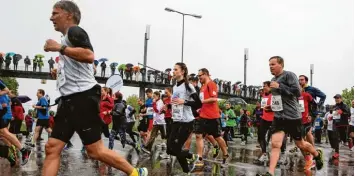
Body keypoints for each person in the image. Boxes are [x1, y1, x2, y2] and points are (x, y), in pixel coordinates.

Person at [42, 1, 147, 175]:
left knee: (95, 150)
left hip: (82, 98)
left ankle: (135, 173)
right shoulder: (66, 37)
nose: (51, 17)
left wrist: (59, 47)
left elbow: (89, 56)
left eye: (55, 13)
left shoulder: (75, 31)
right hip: (68, 100)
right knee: (52, 147)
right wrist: (60, 72)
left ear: (69, 15)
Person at [257, 56, 323, 176]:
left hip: (293, 117)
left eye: (273, 64)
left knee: (300, 144)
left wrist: (280, 87)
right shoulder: (272, 80)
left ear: (281, 65)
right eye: (269, 65)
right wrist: (272, 107)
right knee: (275, 144)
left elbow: (297, 93)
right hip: (278, 117)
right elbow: (279, 99)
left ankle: (317, 154)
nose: (270, 67)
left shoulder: (289, 75)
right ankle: (270, 173)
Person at [166, 63, 200, 173]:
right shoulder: (175, 86)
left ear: (182, 71)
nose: (173, 71)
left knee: (176, 148)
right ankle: (191, 157)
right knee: (169, 149)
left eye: (176, 69)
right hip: (176, 119)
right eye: (173, 69)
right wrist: (171, 105)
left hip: (187, 121)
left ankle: (187, 170)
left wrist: (184, 101)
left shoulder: (188, 86)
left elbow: (198, 104)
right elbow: (177, 102)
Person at [195, 68, 229, 168]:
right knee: (198, 135)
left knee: (217, 137)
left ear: (205, 74)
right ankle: (199, 158)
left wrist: (202, 102)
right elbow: (203, 100)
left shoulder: (211, 84)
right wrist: (200, 108)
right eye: (198, 76)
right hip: (203, 116)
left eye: (200, 75)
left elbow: (214, 99)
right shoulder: (202, 86)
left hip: (213, 116)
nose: (199, 77)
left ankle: (225, 154)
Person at [0, 80, 31, 165]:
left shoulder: (10, 98)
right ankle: (12, 151)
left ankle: (18, 150)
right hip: (6, 115)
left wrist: (12, 115)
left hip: (5, 115)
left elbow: (18, 109)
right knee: (3, 134)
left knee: (5, 133)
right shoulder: (8, 98)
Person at [255, 81, 274, 164]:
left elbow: (278, 107)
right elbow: (263, 107)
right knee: (261, 136)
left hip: (274, 119)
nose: (263, 87)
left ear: (270, 87)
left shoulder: (274, 95)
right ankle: (264, 154)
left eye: (265, 86)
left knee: (276, 139)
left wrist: (269, 109)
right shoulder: (263, 95)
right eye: (263, 86)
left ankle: (282, 153)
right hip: (264, 119)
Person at [330, 94, 350, 161]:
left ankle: (348, 140)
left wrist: (342, 112)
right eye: (335, 98)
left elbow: (348, 114)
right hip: (336, 124)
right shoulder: (335, 106)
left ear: (341, 99)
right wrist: (331, 117)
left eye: (338, 98)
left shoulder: (345, 105)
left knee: (343, 138)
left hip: (343, 124)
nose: (336, 99)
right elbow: (334, 114)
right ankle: (336, 152)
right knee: (335, 137)